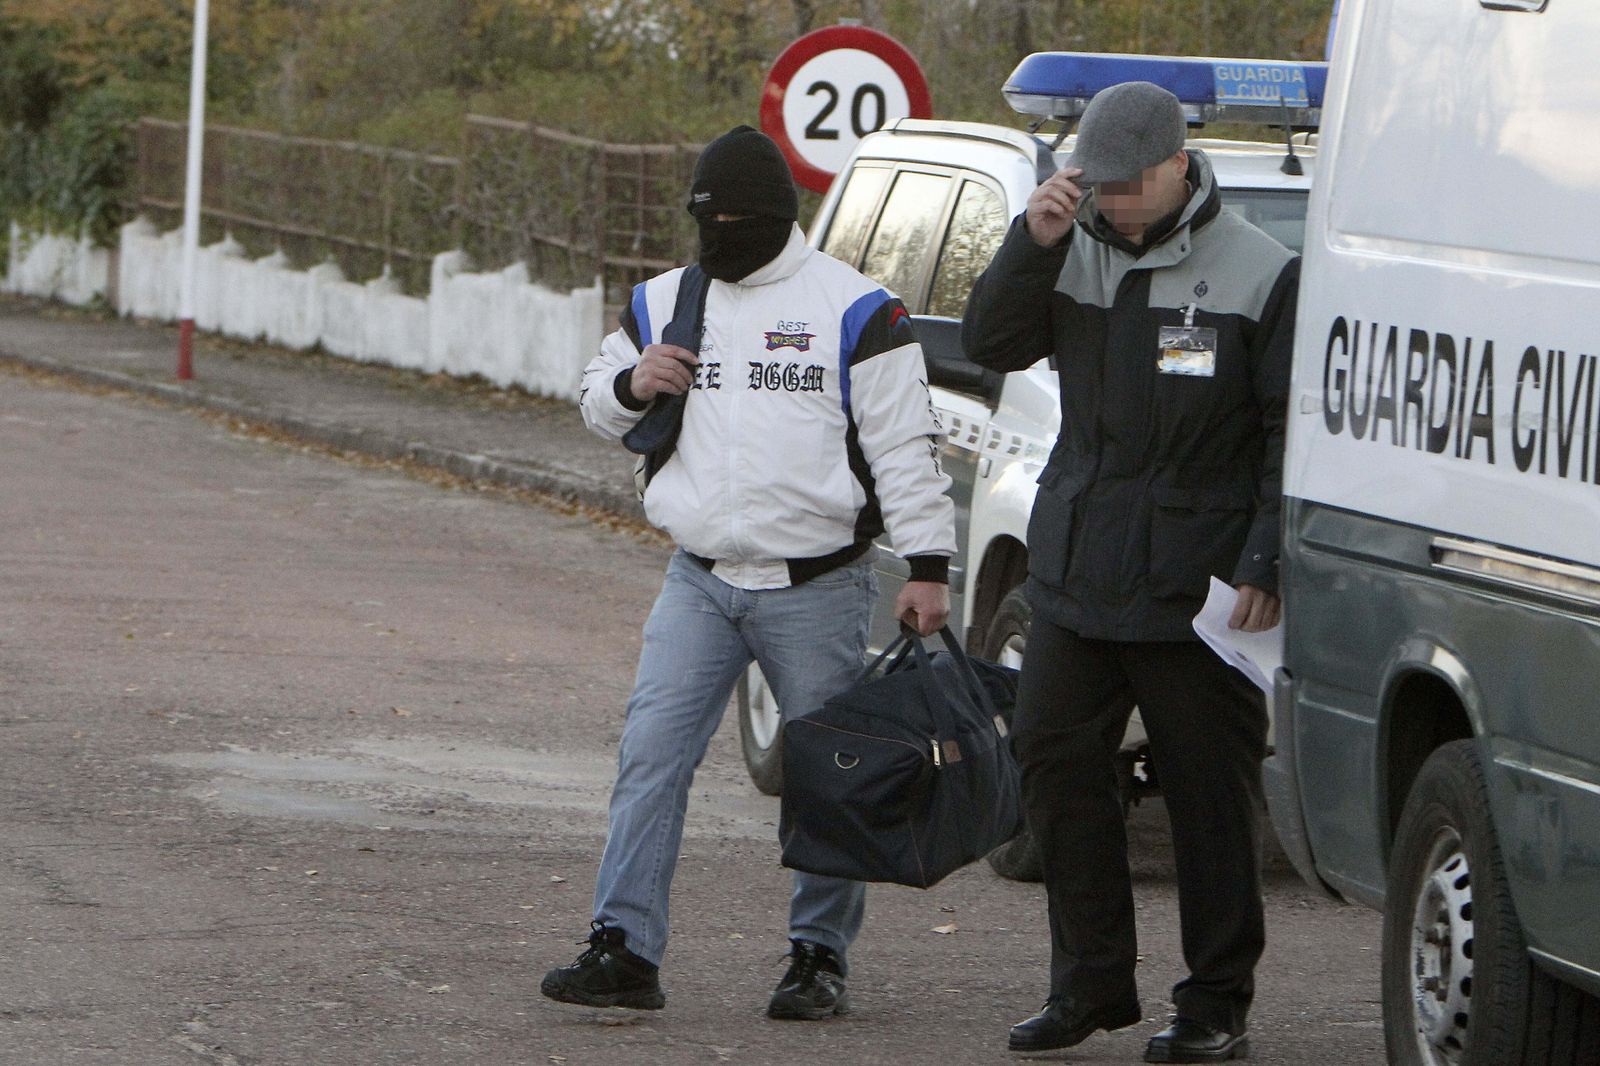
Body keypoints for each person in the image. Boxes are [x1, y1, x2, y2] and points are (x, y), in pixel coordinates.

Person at [542, 125, 956, 1020]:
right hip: (697, 580)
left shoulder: (858, 309)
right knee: (650, 757)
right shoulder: (662, 302)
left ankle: (818, 956)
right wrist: (633, 383)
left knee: (830, 776)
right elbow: (593, 402)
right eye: (707, 222)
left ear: (779, 217)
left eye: (737, 222)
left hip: (819, 586)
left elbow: (905, 447)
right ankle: (623, 948)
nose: (720, 236)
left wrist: (929, 565)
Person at [962, 82, 1297, 1063]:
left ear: (1177, 166)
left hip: (1198, 589)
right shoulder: (1069, 250)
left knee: (1209, 802)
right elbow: (990, 343)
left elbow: (1288, 431)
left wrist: (1266, 557)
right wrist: (1030, 242)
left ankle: (1214, 1003)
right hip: (1077, 571)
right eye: (1096, 183)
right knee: (1051, 764)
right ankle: (1088, 984)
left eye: (1127, 185)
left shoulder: (1261, 272)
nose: (1109, 201)